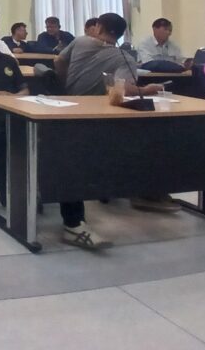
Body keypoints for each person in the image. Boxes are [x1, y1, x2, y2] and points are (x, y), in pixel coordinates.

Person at [0, 13, 108, 250]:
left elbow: (24, 90)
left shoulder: (7, 61)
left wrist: (12, 97)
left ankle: (74, 222)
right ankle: (11, 191)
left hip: (20, 112)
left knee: (62, 144)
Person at [55, 12, 176, 214]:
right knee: (149, 134)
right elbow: (122, 88)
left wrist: (65, 83)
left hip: (68, 108)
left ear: (99, 27)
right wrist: (147, 89)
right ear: (120, 35)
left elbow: (58, 61)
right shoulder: (124, 58)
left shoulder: (80, 42)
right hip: (101, 114)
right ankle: (143, 191)